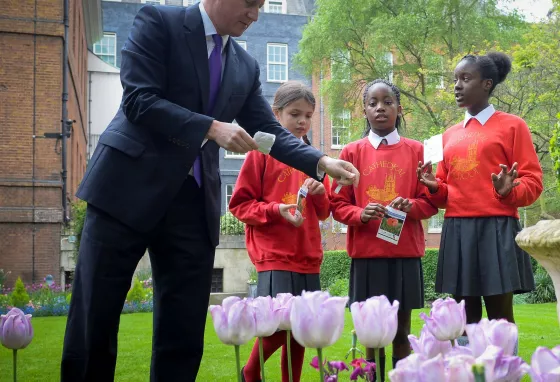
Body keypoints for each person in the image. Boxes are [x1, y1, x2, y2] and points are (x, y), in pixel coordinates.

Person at [60, 1, 359, 381]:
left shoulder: (244, 66)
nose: (255, 13)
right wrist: (210, 127)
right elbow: (138, 99)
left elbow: (268, 132)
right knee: (94, 321)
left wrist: (321, 162)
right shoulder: (159, 21)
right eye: (250, 3)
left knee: (182, 333)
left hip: (191, 204)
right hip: (125, 191)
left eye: (262, 5)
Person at [417, 52, 543, 349]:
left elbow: (533, 183)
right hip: (458, 230)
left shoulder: (513, 126)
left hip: (497, 229)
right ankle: (466, 372)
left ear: (487, 84)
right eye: (455, 80)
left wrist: (507, 191)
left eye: (465, 79)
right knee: (464, 317)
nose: (457, 86)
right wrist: (435, 188)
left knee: (500, 316)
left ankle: (504, 373)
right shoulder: (447, 135)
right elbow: (446, 193)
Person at [331, 79, 437, 381]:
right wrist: (361, 213)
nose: (380, 108)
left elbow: (431, 202)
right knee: (372, 337)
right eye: (373, 103)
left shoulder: (418, 151)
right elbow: (336, 203)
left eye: (387, 102)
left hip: (405, 256)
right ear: (364, 110)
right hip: (367, 257)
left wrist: (411, 206)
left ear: (399, 108)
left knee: (402, 332)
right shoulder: (350, 153)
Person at [229, 81, 330, 382]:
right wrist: (276, 210)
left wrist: (320, 191)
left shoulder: (315, 158)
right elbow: (240, 205)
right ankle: (250, 371)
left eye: (308, 115)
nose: (302, 121)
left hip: (308, 254)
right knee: (278, 324)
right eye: (294, 114)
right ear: (275, 114)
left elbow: (324, 212)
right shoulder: (260, 154)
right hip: (275, 256)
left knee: (300, 329)